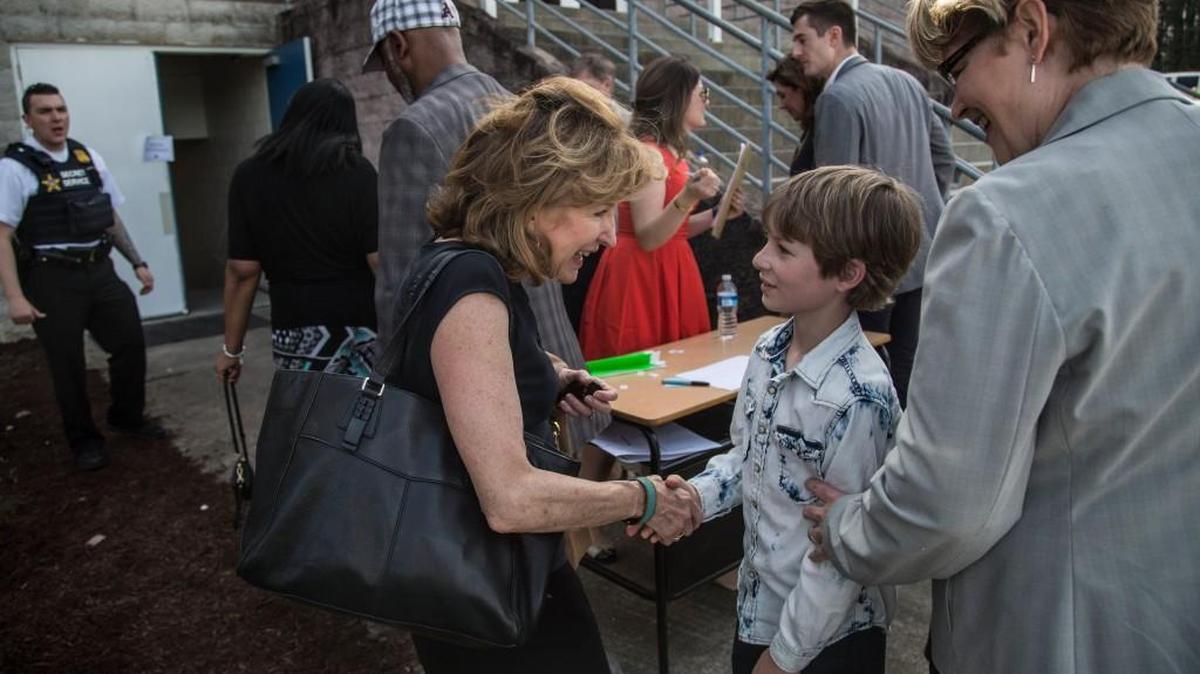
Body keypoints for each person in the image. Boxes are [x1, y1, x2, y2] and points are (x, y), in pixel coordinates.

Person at [802, 1, 1200, 673]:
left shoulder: (1004, 213)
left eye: (958, 65)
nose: (954, 103)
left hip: (1053, 634)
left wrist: (849, 530)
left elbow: (948, 506)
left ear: (1032, 29)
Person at [390, 76, 697, 673]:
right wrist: (643, 495)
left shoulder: (467, 263)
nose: (611, 234)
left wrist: (548, 376)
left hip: (484, 578)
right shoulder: (471, 288)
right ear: (537, 199)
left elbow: (464, 376)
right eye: (597, 210)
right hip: (485, 589)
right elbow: (509, 499)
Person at [659, 166, 922, 674]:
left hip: (826, 643)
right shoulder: (767, 349)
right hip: (759, 616)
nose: (759, 258)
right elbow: (748, 455)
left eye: (783, 249)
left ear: (848, 273)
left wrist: (783, 658)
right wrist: (696, 496)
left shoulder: (858, 397)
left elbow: (844, 550)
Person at [364, 0, 606, 455]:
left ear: (398, 46)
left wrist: (387, 416)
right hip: (556, 363)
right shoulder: (517, 107)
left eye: (384, 63)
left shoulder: (413, 129)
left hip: (490, 390)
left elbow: (400, 292)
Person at [790, 0, 954, 406]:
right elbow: (944, 158)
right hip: (918, 252)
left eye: (801, 39)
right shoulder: (907, 82)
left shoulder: (838, 98)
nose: (795, 52)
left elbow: (833, 202)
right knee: (905, 371)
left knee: (861, 379)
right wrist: (922, 214)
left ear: (834, 36)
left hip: (867, 270)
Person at [0, 83, 165, 472]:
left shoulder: (85, 156)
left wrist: (137, 260)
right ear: (28, 120)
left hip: (99, 269)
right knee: (67, 363)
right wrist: (15, 297)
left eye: (60, 109)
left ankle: (127, 417)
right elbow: (2, 235)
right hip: (51, 278)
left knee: (129, 342)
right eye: (44, 111)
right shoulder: (15, 168)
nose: (56, 117)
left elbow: (108, 216)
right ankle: (84, 440)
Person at [215, 79, 379, 384]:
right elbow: (379, 261)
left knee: (305, 419)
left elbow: (242, 270)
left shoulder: (249, 176)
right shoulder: (358, 172)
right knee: (361, 422)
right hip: (359, 326)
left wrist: (232, 350)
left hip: (293, 328)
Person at [579, 55, 742, 360]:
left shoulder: (663, 151)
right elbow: (648, 236)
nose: (707, 101)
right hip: (642, 274)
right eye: (703, 93)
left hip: (663, 265)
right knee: (644, 368)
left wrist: (714, 217)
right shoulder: (649, 152)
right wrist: (691, 196)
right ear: (679, 98)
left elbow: (672, 230)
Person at [562, 49, 629, 332]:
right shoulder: (568, 120)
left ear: (608, 85)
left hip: (602, 227)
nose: (583, 97)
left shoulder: (626, 125)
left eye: (588, 88)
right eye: (577, 88)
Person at [765, 56, 825, 176]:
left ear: (801, 89)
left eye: (783, 96)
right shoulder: (812, 130)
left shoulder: (821, 130)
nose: (782, 105)